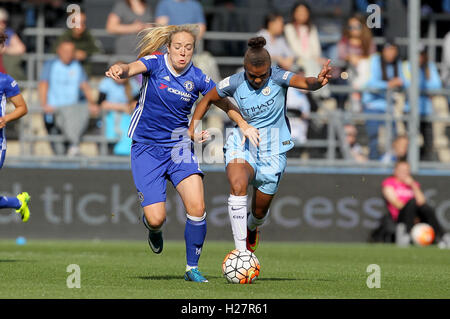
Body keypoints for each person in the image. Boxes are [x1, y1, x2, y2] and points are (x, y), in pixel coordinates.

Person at [105, 24, 259, 282]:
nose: (183, 52)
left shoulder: (198, 78)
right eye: (178, 47)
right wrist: (121, 70)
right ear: (168, 47)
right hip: (146, 147)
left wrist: (243, 124)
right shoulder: (155, 63)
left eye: (188, 48)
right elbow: (131, 68)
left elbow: (223, 102)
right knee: (156, 219)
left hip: (178, 147)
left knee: (197, 207)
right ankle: (153, 229)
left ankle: (192, 269)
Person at [189, 36, 332, 253]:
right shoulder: (235, 82)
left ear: (269, 69)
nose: (257, 80)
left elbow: (305, 83)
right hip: (243, 142)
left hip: (274, 150)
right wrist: (193, 128)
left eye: (262, 76)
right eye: (252, 76)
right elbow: (207, 98)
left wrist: (318, 81)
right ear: (245, 69)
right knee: (237, 185)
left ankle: (252, 227)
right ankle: (241, 252)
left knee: (259, 212)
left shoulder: (279, 76)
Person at [39, 40, 99, 156]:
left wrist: (91, 102)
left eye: (71, 51)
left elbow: (85, 86)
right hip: (54, 110)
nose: (68, 54)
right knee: (58, 148)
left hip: (72, 111)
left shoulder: (77, 66)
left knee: (71, 141)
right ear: (59, 51)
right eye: (65, 51)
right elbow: (43, 84)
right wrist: (44, 104)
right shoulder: (51, 64)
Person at [382, 160, 450, 248]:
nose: (404, 173)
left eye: (406, 170)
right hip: (400, 217)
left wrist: (413, 186)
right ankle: (406, 234)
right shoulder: (389, 183)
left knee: (426, 208)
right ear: (395, 171)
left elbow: (422, 202)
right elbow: (396, 204)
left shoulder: (413, 184)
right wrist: (412, 211)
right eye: (402, 170)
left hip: (416, 216)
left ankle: (442, 237)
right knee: (412, 202)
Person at [0, 31, 30, 222]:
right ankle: (16, 202)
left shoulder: (5, 80)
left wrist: (5, 119)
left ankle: (16, 202)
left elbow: (22, 108)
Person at [362, 41, 403, 160]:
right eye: (388, 49)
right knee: (374, 137)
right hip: (372, 105)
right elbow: (370, 84)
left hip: (388, 107)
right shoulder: (374, 60)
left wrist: (399, 83)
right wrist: (389, 84)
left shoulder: (398, 63)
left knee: (394, 138)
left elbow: (403, 80)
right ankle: (373, 164)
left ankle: (390, 164)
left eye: (393, 50)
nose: (391, 53)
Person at [401, 47, 442, 161]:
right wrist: (424, 90)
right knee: (410, 140)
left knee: (428, 141)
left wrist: (420, 88)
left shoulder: (430, 66)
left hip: (426, 111)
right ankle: (409, 163)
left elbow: (437, 85)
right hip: (410, 110)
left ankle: (426, 163)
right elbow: (407, 84)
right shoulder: (407, 65)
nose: (419, 57)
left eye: (421, 54)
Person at [98, 61, 140, 155]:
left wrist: (130, 107)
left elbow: (137, 102)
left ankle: (125, 151)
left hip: (127, 116)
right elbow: (102, 104)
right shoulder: (106, 83)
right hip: (109, 116)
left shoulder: (132, 84)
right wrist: (122, 107)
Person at [53, 10, 101, 76]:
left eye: (83, 22)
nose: (80, 25)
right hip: (66, 73)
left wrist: (86, 54)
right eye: (76, 22)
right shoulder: (65, 36)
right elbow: (54, 51)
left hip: (84, 73)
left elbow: (98, 51)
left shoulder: (88, 36)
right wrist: (72, 55)